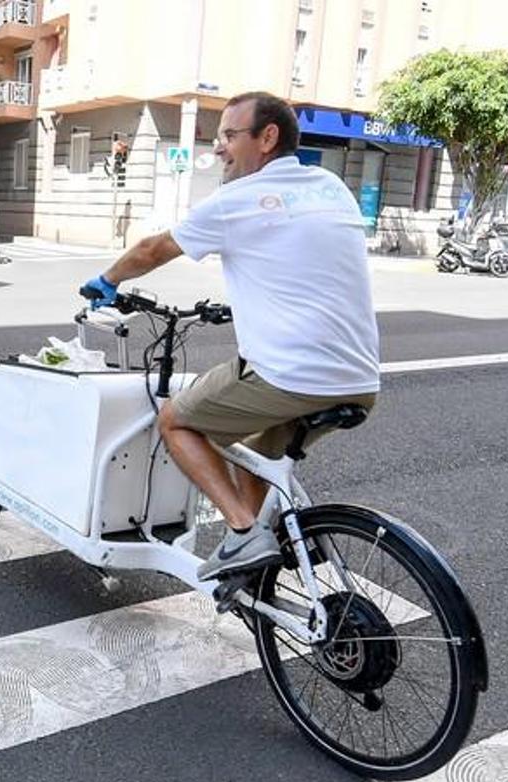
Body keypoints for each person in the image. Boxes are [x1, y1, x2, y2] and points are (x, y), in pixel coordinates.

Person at [81, 92, 379, 583]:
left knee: (176, 420)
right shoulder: (330, 186)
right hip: (360, 380)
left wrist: (108, 280)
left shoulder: (240, 198)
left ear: (268, 137)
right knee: (260, 451)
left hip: (291, 376)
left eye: (229, 136)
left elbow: (156, 247)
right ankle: (248, 552)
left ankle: (243, 532)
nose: (219, 148)